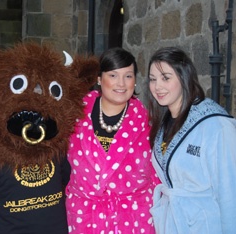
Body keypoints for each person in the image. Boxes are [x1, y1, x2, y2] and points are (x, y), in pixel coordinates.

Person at [66, 47, 159, 233]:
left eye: (128, 76)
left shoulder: (148, 121)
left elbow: (158, 173)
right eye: (113, 75)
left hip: (134, 218)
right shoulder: (73, 115)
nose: (121, 84)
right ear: (99, 79)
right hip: (85, 216)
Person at [147, 46, 236, 233]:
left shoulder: (215, 125)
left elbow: (230, 194)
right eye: (153, 79)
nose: (157, 87)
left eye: (166, 78)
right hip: (173, 223)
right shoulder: (163, 123)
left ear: (184, 77)